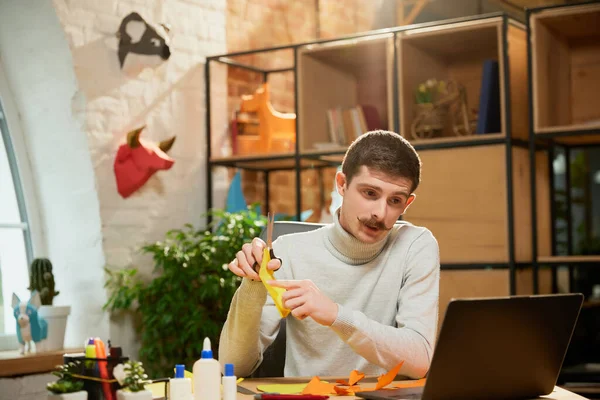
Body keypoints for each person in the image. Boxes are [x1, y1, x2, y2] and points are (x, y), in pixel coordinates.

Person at [218, 130, 440, 379]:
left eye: (395, 200)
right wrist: (252, 287)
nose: (380, 212)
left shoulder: (415, 246)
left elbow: (420, 359)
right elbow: (233, 367)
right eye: (370, 193)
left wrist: (336, 315)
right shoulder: (288, 252)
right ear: (342, 184)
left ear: (407, 204)